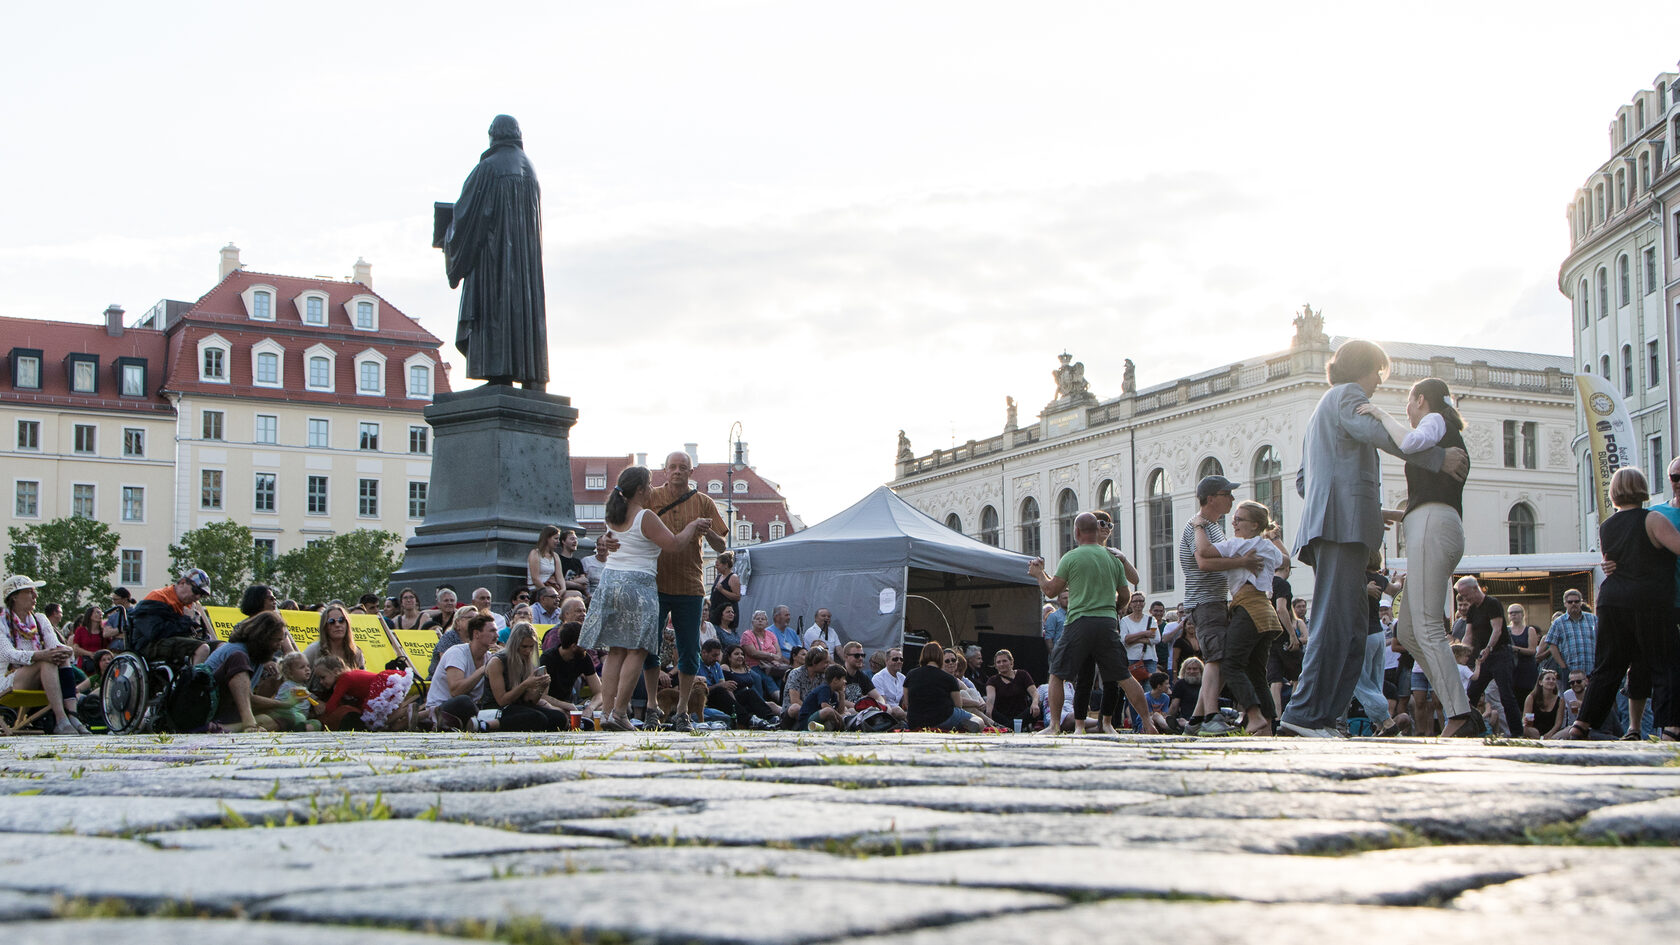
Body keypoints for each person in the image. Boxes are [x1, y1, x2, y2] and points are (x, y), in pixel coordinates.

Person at [1282, 341, 1465, 739]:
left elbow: (1303, 481)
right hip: (1341, 530)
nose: (1380, 383)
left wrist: (1356, 506)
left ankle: (1324, 717)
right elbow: (1378, 434)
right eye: (1379, 373)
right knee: (1334, 625)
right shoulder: (1349, 396)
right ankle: (1304, 715)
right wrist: (1437, 459)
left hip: (1339, 527)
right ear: (1364, 368)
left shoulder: (1324, 409)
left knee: (1348, 628)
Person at [1358, 376, 1477, 737]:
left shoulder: (1436, 419)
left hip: (1432, 526)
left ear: (1420, 399)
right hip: (1433, 525)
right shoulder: (1443, 425)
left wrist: (1379, 413)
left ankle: (1458, 714)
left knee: (1424, 627)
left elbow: (1409, 442)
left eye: (1408, 403)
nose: (1407, 411)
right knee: (1408, 631)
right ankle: (1459, 708)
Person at [580, 465, 710, 732]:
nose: (652, 489)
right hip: (638, 585)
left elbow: (612, 542)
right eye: (649, 484)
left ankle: (606, 712)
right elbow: (673, 544)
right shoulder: (645, 516)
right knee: (637, 651)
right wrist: (693, 525)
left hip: (611, 581)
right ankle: (619, 713)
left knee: (616, 650)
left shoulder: (612, 513)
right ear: (640, 490)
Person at [1564, 468, 1680, 741]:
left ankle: (1582, 723)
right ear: (1642, 488)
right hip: (1649, 600)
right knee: (1665, 663)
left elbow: (1613, 561)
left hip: (1612, 601)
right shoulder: (1653, 519)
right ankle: (1672, 729)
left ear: (1613, 492)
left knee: (1608, 666)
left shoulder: (1607, 526)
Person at [442, 114, 548, 389]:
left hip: (495, 260)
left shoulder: (488, 168)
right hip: (525, 270)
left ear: (493, 136)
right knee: (522, 307)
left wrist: (447, 230)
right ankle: (529, 372)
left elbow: (468, 217)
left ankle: (498, 372)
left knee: (496, 306)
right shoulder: (530, 170)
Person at [1028, 511, 1157, 735]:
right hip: (1107, 623)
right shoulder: (1113, 558)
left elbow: (1051, 590)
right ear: (1097, 531)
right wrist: (1113, 609)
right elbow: (1125, 595)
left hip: (1079, 621)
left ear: (1076, 532)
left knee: (1057, 674)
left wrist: (1039, 574)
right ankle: (1148, 723)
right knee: (1124, 676)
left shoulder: (1071, 557)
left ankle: (1055, 726)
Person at [637, 452, 728, 731]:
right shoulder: (650, 497)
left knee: (689, 651)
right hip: (655, 582)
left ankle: (682, 712)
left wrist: (707, 531)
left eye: (682, 468)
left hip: (690, 585)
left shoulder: (703, 501)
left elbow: (721, 546)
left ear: (691, 472)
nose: (677, 471)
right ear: (664, 471)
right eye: (672, 467)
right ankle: (652, 707)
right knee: (649, 647)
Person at [1193, 498, 1290, 735]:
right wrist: (1275, 536)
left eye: (1239, 520)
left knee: (1231, 664)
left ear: (1255, 525)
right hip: (1266, 614)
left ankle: (1254, 716)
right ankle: (1267, 727)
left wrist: (1198, 526)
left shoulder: (1240, 545)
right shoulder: (1266, 546)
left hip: (1248, 609)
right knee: (1257, 673)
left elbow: (1204, 551)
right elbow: (1285, 560)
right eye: (1234, 519)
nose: (1234, 523)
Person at [1181, 475, 1262, 736]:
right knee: (1218, 658)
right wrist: (1242, 563)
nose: (1232, 499)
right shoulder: (1199, 525)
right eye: (1228, 493)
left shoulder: (1211, 526)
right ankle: (1211, 716)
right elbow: (1203, 562)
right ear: (1212, 498)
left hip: (1213, 600)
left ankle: (1196, 719)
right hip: (1205, 601)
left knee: (1222, 656)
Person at [0, 575, 88, 734]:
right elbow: (8, 654)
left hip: (39, 678)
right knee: (46, 660)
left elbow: (55, 645)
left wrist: (65, 650)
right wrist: (41, 655)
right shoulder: (2, 621)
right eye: (30, 591)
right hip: (8, 679)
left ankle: (72, 716)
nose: (35, 596)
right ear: (14, 596)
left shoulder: (39, 619)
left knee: (59, 656)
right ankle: (62, 719)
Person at [1456, 575, 1522, 737]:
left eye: (1465, 595)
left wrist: (1489, 648)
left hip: (1500, 653)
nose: (1465, 599)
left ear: (1474, 588)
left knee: (1506, 695)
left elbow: (1497, 629)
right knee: (1471, 694)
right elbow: (1469, 634)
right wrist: (1462, 652)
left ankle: (1517, 732)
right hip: (1482, 657)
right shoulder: (1472, 609)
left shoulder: (1492, 603)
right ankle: (1468, 729)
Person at [203, 611, 291, 732]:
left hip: (227, 710)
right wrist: (284, 704)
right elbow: (248, 699)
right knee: (238, 658)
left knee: (278, 720)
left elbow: (250, 697)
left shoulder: (259, 656)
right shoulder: (237, 651)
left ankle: (222, 729)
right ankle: (248, 724)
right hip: (207, 705)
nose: (279, 646)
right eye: (277, 640)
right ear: (263, 637)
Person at [485, 623, 572, 731]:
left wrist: (540, 688)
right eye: (524, 647)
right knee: (537, 718)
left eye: (531, 647)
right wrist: (525, 684)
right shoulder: (497, 662)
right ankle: (488, 725)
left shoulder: (527, 661)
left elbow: (529, 700)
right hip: (498, 708)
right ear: (515, 645)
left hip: (520, 706)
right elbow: (502, 700)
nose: (528, 651)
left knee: (559, 718)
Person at [426, 613, 500, 731]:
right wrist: (483, 669)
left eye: (496, 631)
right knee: (464, 701)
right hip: (444, 706)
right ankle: (483, 723)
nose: (497, 635)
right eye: (492, 631)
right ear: (476, 634)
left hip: (472, 707)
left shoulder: (490, 658)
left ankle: (480, 723)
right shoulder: (457, 653)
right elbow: (456, 691)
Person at [129, 569, 216, 668]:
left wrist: (196, 625)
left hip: (172, 641)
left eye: (202, 594)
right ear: (182, 583)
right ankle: (194, 680)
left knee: (221, 648)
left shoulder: (187, 605)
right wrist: (187, 620)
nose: (197, 596)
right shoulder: (158, 598)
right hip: (149, 644)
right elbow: (155, 632)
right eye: (196, 591)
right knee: (203, 649)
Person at [906, 641, 981, 732]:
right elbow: (958, 705)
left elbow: (907, 703)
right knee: (978, 720)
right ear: (940, 657)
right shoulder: (949, 678)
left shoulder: (910, 674)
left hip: (915, 721)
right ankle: (972, 724)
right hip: (943, 718)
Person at [540, 621, 602, 714]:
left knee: (609, 704)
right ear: (574, 646)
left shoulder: (584, 658)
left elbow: (599, 692)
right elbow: (542, 696)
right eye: (584, 644)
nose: (587, 647)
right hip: (551, 706)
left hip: (572, 705)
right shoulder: (548, 659)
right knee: (558, 713)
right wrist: (566, 705)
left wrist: (590, 708)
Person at [719, 643, 781, 727]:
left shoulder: (746, 668)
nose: (740, 656)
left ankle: (786, 717)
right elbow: (727, 689)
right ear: (729, 657)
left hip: (749, 699)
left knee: (771, 704)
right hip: (735, 700)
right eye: (736, 654)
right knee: (749, 693)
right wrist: (736, 706)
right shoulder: (725, 667)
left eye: (742, 654)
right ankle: (770, 718)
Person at [985, 649, 1038, 731]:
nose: (1002, 664)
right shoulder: (992, 680)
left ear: (1011, 662)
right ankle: (1009, 728)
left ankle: (1005, 729)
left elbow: (1034, 693)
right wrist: (988, 712)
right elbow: (990, 699)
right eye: (998, 662)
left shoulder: (1022, 675)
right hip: (1002, 717)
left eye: (1004, 661)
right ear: (995, 665)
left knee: (1035, 708)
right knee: (986, 708)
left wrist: (1035, 703)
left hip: (1021, 715)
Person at [305, 604, 366, 671]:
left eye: (341, 620)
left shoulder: (356, 652)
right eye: (331, 621)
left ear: (347, 624)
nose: (337, 625)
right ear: (325, 627)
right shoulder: (313, 650)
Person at [781, 647, 830, 727]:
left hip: (814, 711)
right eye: (825, 662)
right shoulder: (796, 674)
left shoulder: (823, 675)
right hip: (794, 712)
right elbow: (795, 700)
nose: (827, 665)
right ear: (814, 662)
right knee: (795, 708)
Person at [1506, 603, 1541, 714]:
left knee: (1528, 698)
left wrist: (1514, 648)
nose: (1513, 615)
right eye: (1511, 613)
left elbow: (1532, 651)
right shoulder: (1506, 631)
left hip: (1527, 669)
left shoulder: (1529, 630)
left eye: (1516, 612)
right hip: (1511, 669)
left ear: (1522, 614)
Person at [799, 665, 850, 731]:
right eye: (843, 678)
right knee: (828, 711)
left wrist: (842, 694)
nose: (845, 681)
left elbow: (840, 711)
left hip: (820, 721)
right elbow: (825, 706)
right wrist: (839, 719)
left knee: (848, 712)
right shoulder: (825, 688)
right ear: (835, 680)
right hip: (808, 721)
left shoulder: (833, 694)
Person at [1166, 657, 1204, 734]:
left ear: (1200, 670)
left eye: (1195, 669)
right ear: (1184, 670)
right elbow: (1174, 706)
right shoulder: (1180, 684)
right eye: (1189, 669)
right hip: (1185, 718)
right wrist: (1168, 718)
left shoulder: (1205, 683)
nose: (1192, 671)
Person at [1524, 670, 1564, 739]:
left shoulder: (1560, 701)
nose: (1551, 681)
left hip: (1552, 733)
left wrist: (1549, 734)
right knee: (1523, 728)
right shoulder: (1531, 698)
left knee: (1568, 730)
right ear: (1540, 682)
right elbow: (1525, 718)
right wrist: (1525, 720)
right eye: (1548, 679)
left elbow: (1558, 723)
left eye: (1553, 679)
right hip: (1534, 731)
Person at [527, 525, 565, 595]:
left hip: (551, 588)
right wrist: (548, 592)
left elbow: (560, 577)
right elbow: (535, 578)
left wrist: (563, 589)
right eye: (556, 539)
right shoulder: (535, 553)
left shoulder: (555, 556)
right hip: (537, 589)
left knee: (576, 594)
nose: (558, 541)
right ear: (547, 538)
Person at [708, 551, 742, 626]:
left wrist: (722, 590)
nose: (716, 567)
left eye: (718, 565)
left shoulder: (733, 577)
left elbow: (737, 597)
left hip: (726, 618)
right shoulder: (719, 577)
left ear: (725, 565)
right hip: (715, 615)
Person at [873, 647, 908, 714]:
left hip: (900, 712)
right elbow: (882, 704)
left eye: (901, 659)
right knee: (898, 710)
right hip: (885, 713)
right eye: (895, 659)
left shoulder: (903, 678)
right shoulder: (878, 678)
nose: (899, 661)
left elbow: (906, 701)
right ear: (887, 661)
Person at [1041, 591, 1068, 656]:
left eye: (1069, 598)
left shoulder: (1074, 615)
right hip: (1059, 654)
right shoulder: (1054, 616)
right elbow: (1048, 637)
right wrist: (1053, 654)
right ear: (1058, 600)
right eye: (1065, 598)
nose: (1068, 600)